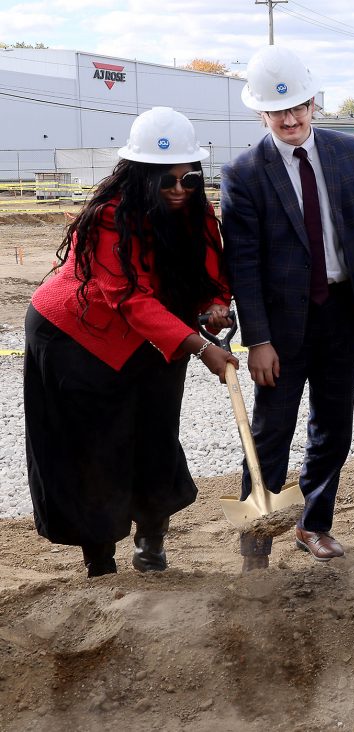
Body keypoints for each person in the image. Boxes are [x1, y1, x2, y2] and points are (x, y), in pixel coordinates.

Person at [24, 107, 237, 577]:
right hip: (79, 338)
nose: (179, 190)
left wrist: (215, 305)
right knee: (95, 448)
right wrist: (201, 347)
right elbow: (128, 298)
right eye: (166, 181)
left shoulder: (198, 212)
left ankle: (151, 542)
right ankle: (99, 561)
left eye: (189, 178)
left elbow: (212, 272)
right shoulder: (110, 218)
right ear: (142, 176)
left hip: (162, 335)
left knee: (156, 435)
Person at [220, 46, 354, 570]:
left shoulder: (347, 151)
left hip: (342, 312)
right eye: (278, 111)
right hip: (281, 326)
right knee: (271, 431)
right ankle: (256, 544)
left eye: (298, 107)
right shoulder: (244, 173)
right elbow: (243, 265)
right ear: (261, 113)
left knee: (333, 427)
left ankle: (312, 524)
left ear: (314, 103)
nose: (290, 119)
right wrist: (258, 339)